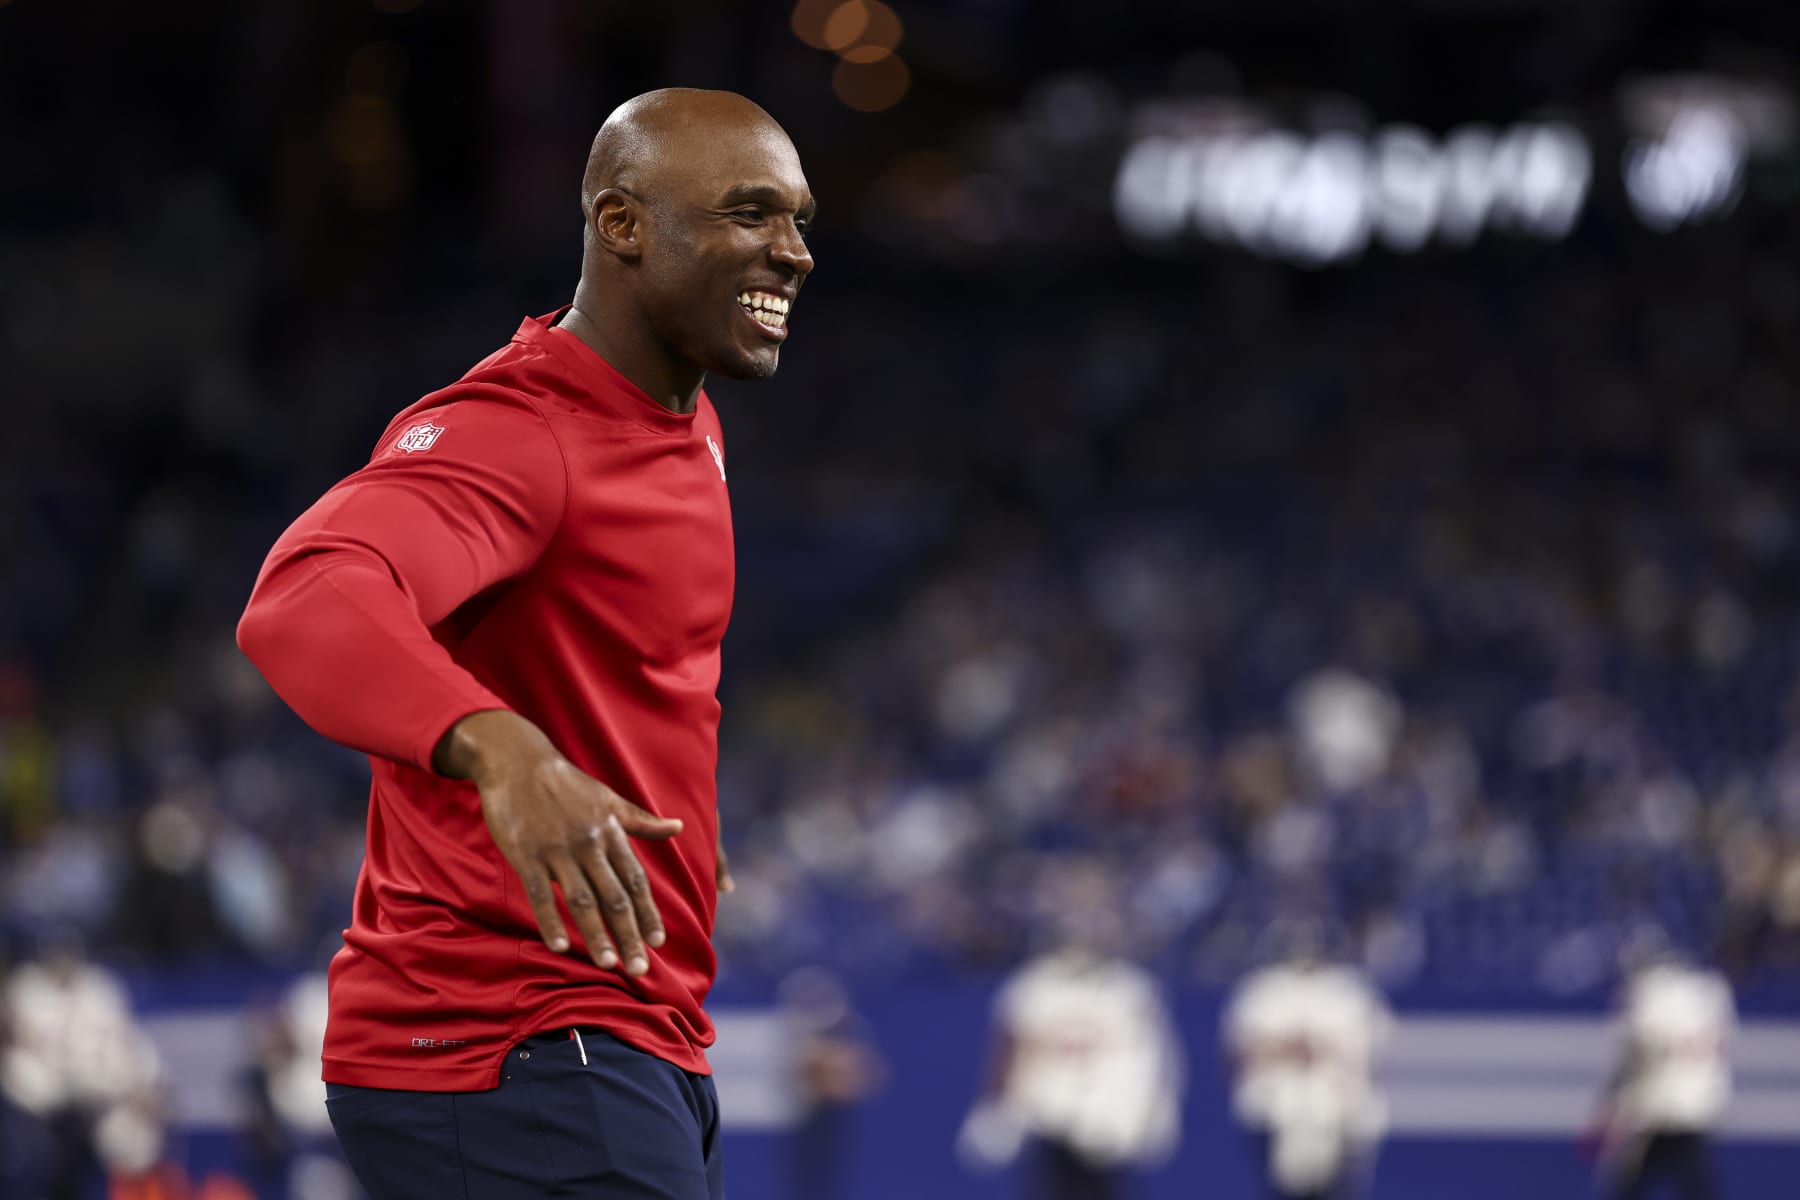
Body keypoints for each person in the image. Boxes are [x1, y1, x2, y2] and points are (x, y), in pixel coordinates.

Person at [236, 87, 815, 1199]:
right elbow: (307, 592)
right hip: (511, 1041)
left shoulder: (684, 416)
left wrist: (674, 810)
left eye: (798, 220)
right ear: (623, 225)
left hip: (617, 1036)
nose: (791, 253)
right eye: (751, 214)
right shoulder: (521, 433)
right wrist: (504, 750)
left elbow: (617, 654)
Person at [958, 869, 1184, 1200]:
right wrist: (998, 1107)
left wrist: (1153, 1109)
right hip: (1049, 1114)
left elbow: (1153, 1057)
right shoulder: (1033, 986)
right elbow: (1012, 1048)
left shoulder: (1130, 989)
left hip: (1109, 1114)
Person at [1223, 927, 1391, 1200]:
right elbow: (1237, 1052)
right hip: (1277, 1109)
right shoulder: (1261, 990)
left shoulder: (1349, 992)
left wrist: (1309, 1050)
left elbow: (1369, 1053)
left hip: (1337, 1109)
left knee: (1335, 1188)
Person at [1593, 949, 1734, 1200]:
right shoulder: (1707, 992)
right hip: (1689, 1110)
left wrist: (1618, 1107)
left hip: (1660, 1112)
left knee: (1639, 1183)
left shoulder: (1652, 997)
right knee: (1684, 1181)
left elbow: (1639, 1059)